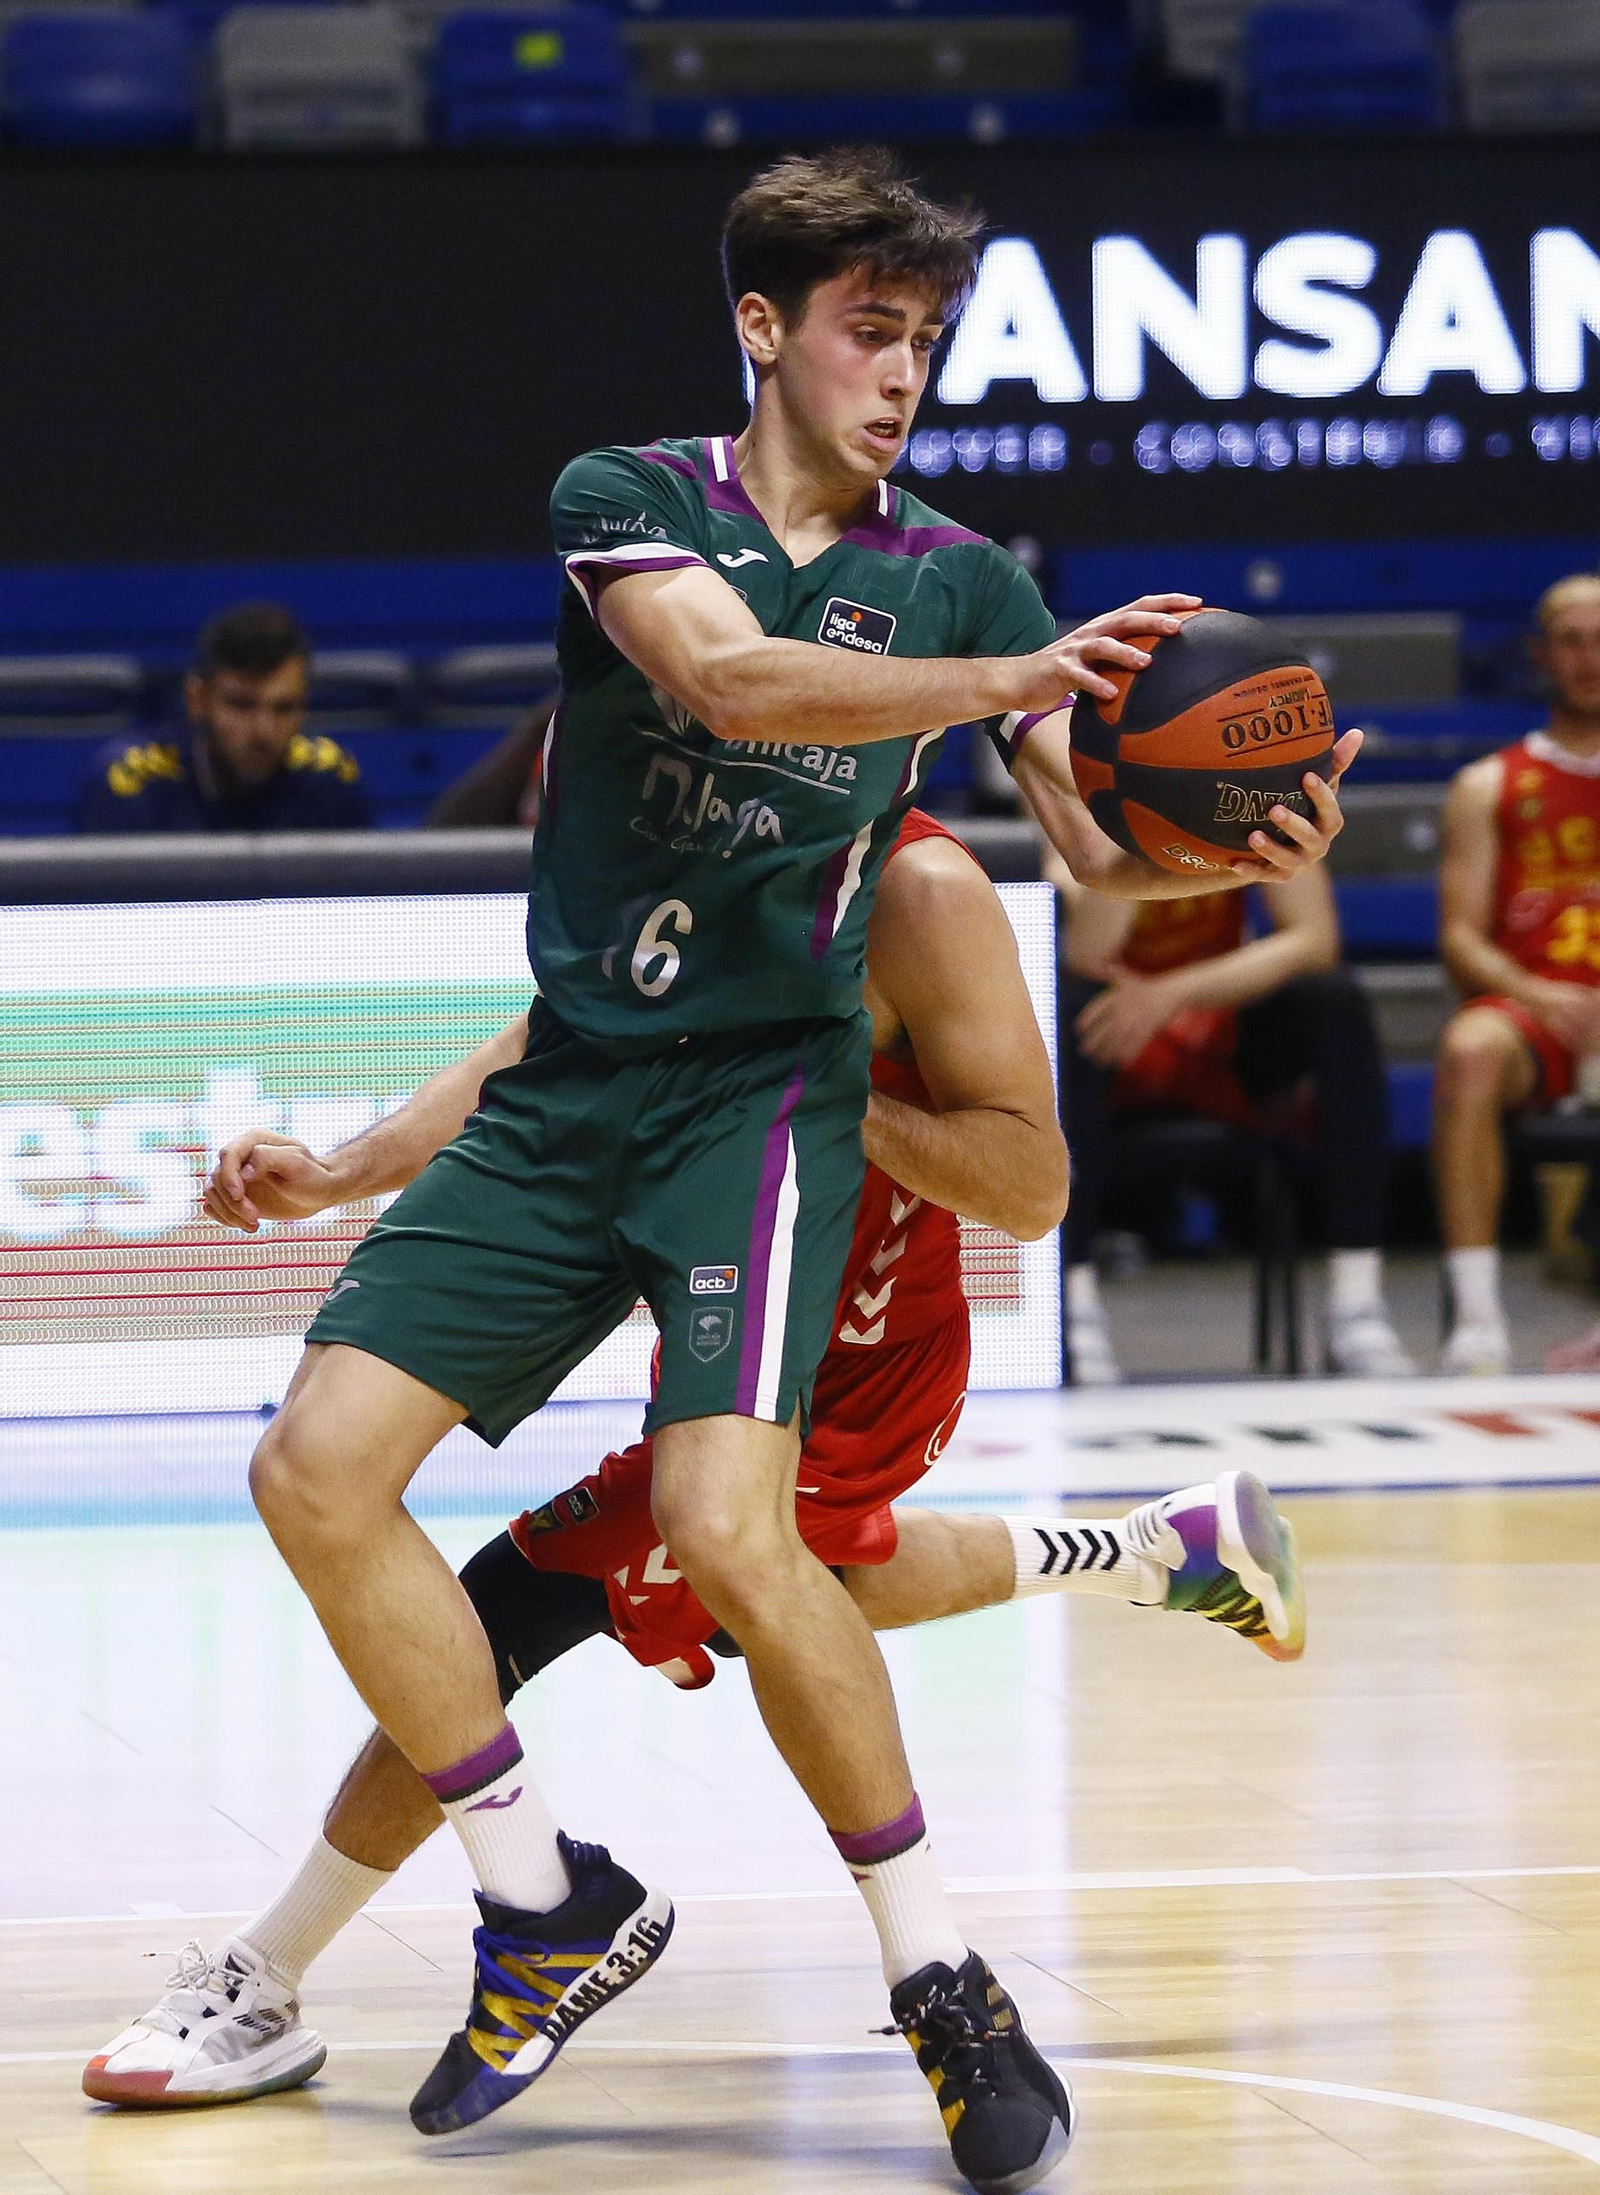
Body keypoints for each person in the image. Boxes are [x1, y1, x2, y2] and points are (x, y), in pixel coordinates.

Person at [223, 147, 1351, 2195]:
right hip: (572, 1082)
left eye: (926, 337)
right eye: (868, 330)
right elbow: (725, 677)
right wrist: (349, 1165)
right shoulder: (626, 498)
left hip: (756, 1096)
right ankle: (539, 1886)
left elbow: (1097, 880)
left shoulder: (967, 576)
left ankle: (939, 1975)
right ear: (764, 328)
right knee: (311, 1468)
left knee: (737, 1532)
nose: (903, 373)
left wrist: (1238, 841)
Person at [87, 807, 1305, 2116]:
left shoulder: (919, 888)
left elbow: (1029, 1183)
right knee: (796, 1584)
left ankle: (271, 1972)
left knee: (514, 1611)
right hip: (724, 1334)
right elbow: (549, 1042)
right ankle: (1158, 1549)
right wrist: (346, 1171)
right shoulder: (684, 825)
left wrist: (817, 1100)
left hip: (855, 1368)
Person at [1055, 864, 1412, 1383]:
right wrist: (1130, 816)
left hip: (1214, 1017)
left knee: (1336, 1001)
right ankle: (1077, 1306)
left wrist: (1174, 992)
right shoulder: (1087, 794)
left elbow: (1315, 940)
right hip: (1119, 1029)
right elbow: (1087, 953)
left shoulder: (1255, 791)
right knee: (1069, 1011)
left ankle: (1356, 1306)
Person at [1434, 573, 1600, 1374]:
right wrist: (1538, 994)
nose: (1588, 656)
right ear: (1541, 655)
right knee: (1470, 1049)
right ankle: (1477, 1319)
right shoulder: (1489, 783)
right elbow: (1461, 940)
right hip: (1537, 1005)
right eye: (1571, 639)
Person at [76, 602, 369, 835]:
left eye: (284, 707)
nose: (263, 731)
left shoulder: (330, 778)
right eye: (241, 705)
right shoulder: (133, 785)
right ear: (198, 700)